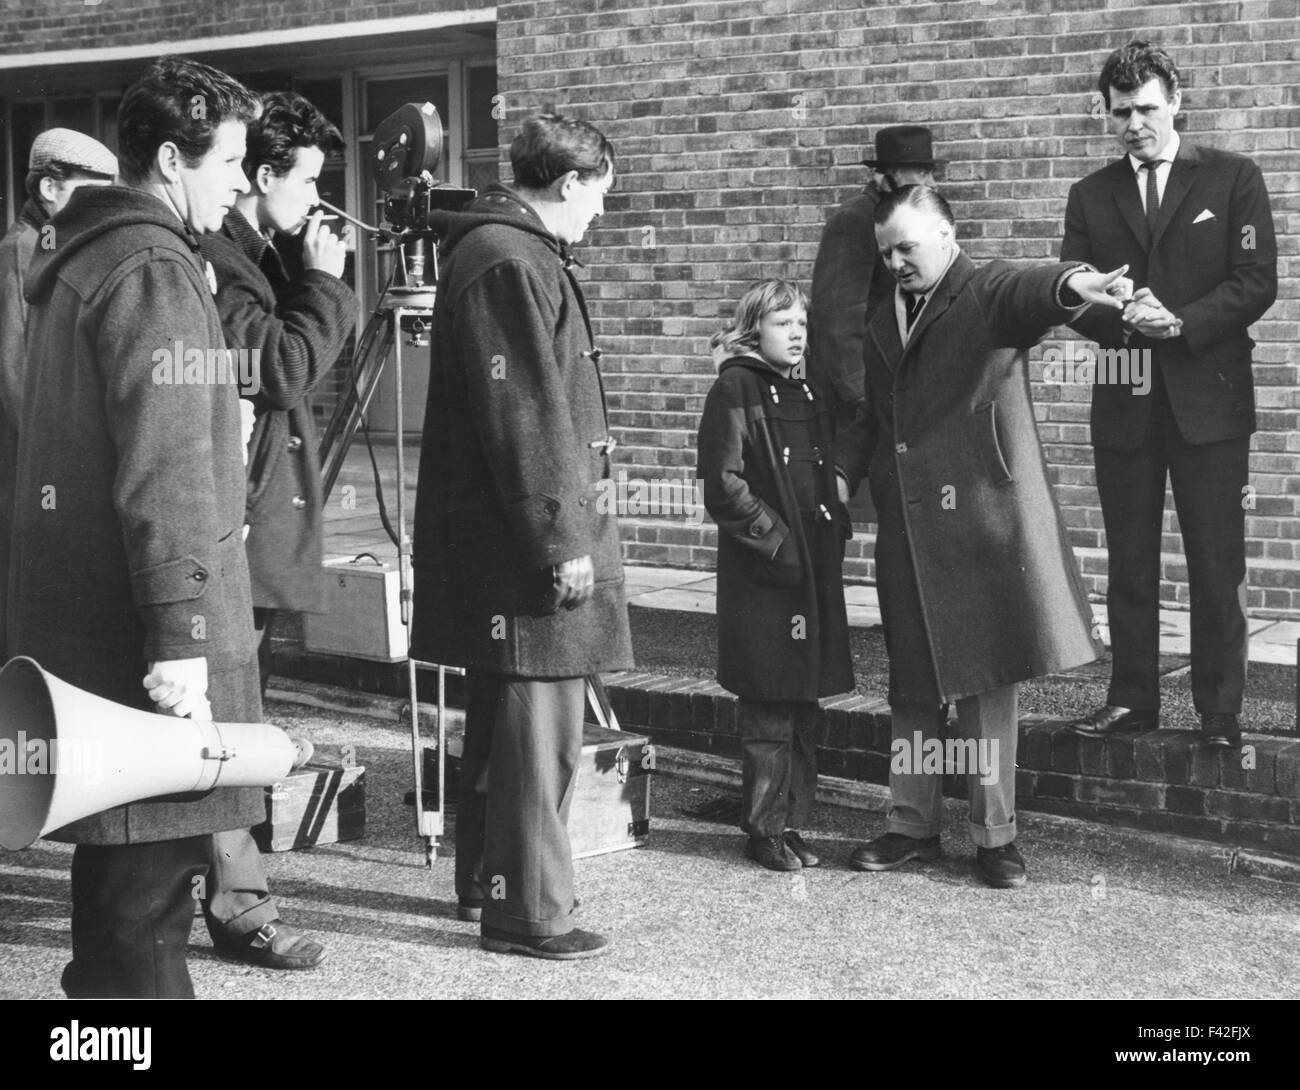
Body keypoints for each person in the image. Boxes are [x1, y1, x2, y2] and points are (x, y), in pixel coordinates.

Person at [6, 55, 263, 998]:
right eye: (230, 159)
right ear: (169, 157)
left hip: (94, 634)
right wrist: (185, 636)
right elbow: (167, 472)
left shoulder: (86, 258)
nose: (241, 181)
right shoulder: (153, 266)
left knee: (118, 903)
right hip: (146, 650)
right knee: (148, 914)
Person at [835, 186, 1121, 888]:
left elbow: (1033, 287)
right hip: (908, 526)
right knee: (912, 682)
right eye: (887, 252)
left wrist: (1073, 282)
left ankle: (995, 836)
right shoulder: (882, 316)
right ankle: (911, 824)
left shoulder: (985, 289)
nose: (896, 262)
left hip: (980, 524)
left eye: (908, 246)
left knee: (987, 680)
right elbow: (871, 416)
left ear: (946, 234)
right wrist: (841, 475)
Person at [411, 113, 633, 959]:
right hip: (524, 554)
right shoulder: (512, 258)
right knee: (541, 733)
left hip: (498, 544)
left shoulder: (501, 252)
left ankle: (486, 888)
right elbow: (526, 415)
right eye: (600, 197)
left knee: (507, 729)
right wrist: (561, 538)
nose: (602, 216)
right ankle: (531, 913)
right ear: (569, 184)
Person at [1060, 40, 1278, 749]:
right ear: (1106, 113)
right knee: (1129, 560)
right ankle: (1132, 700)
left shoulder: (1233, 178)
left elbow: (1255, 281)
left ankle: (1220, 712)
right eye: (1120, 112)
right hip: (1125, 401)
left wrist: (1180, 323)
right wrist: (1121, 314)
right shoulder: (1090, 196)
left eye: (1147, 108)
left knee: (1217, 562)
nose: (1134, 124)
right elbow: (1072, 294)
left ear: (1176, 102)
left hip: (1208, 402)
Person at [195, 90, 355, 971]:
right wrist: (326, 282)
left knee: (230, 710)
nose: (318, 205)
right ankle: (238, 904)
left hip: (240, 527)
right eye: (309, 184)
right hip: (224, 532)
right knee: (228, 714)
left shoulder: (254, 254)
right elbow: (281, 367)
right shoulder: (223, 261)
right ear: (261, 177)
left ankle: (222, 888)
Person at [697, 279, 853, 871]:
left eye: (802, 325)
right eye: (783, 323)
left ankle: (792, 824)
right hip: (767, 574)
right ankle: (762, 829)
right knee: (768, 705)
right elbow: (723, 483)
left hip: (811, 569)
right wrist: (777, 541)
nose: (796, 334)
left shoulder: (808, 390)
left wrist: (830, 526)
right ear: (754, 328)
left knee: (804, 701)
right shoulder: (736, 387)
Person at [0, 129, 116, 661]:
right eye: (90, 190)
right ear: (50, 187)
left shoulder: (46, 247)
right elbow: (20, 379)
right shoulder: (24, 252)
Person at [808, 125, 939, 433]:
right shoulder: (855, 220)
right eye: (921, 172)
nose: (932, 183)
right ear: (890, 175)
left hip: (893, 389)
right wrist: (861, 398)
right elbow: (836, 320)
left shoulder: (900, 224)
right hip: (859, 404)